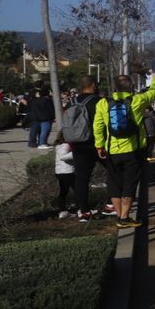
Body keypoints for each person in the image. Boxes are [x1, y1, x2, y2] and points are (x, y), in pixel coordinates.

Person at [94, 71, 155, 228]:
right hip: (133, 150)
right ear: (131, 87)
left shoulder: (103, 103)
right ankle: (124, 218)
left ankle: (120, 216)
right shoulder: (137, 100)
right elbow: (153, 93)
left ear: (114, 87)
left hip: (112, 150)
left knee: (115, 184)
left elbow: (97, 126)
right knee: (129, 184)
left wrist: (99, 145)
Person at [63, 76, 101, 222]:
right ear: (93, 85)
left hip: (77, 144)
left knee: (81, 178)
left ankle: (83, 210)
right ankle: (112, 203)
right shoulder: (98, 101)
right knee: (114, 170)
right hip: (96, 143)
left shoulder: (72, 102)